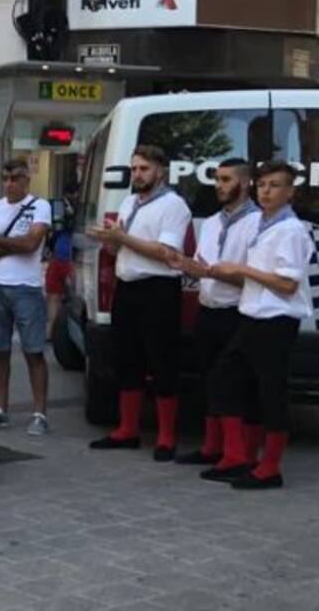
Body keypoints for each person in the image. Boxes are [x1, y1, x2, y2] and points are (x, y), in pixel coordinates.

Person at [197, 161, 313, 489]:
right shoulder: (263, 223)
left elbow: (287, 284)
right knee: (226, 379)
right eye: (262, 185)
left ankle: (270, 467)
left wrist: (243, 271)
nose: (266, 191)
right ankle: (237, 455)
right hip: (252, 315)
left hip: (276, 319)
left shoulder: (290, 229)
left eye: (275, 185)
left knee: (270, 391)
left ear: (290, 192)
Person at [87, 145, 192, 460]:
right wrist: (109, 242)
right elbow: (123, 249)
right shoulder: (130, 202)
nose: (137, 175)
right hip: (128, 287)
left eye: (144, 169)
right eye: (134, 169)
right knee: (127, 360)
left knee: (162, 362)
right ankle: (127, 430)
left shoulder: (173, 205)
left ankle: (166, 437)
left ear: (160, 170)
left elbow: (166, 253)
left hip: (158, 289)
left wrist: (122, 239)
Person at [169, 159, 260, 466]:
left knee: (233, 382)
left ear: (245, 183)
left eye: (226, 179)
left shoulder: (257, 223)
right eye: (217, 179)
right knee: (209, 379)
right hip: (208, 310)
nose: (219, 185)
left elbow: (253, 276)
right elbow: (201, 266)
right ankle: (211, 446)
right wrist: (186, 267)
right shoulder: (210, 223)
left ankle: (237, 453)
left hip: (239, 311)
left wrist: (208, 272)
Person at [0, 159, 52, 437]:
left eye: (15, 178)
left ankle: (40, 413)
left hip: (27, 288)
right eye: (5, 179)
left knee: (33, 352)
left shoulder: (39, 206)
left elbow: (32, 244)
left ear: (26, 180)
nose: (9, 184)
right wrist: (12, 244)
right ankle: (0, 409)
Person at [44, 182, 77, 339]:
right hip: (60, 257)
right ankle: (51, 331)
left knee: (60, 296)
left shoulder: (78, 212)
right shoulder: (60, 212)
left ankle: (55, 332)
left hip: (69, 258)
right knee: (54, 296)